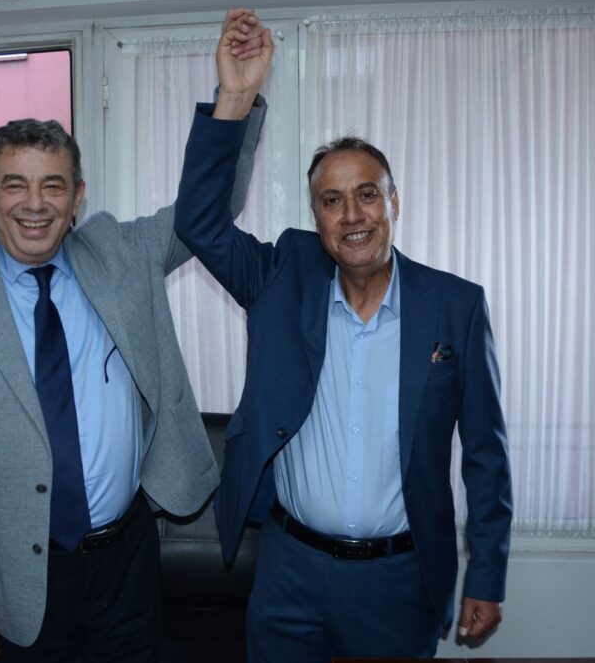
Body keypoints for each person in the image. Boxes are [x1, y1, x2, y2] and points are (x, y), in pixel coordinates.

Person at [0, 10, 268, 662]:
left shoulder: (123, 253)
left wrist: (233, 100)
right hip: (18, 578)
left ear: (77, 197)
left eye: (53, 186)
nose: (34, 203)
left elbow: (207, 213)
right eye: (15, 185)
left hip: (126, 561)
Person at [173, 58, 513, 658]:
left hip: (398, 581)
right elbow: (199, 222)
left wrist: (486, 574)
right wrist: (234, 99)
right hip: (290, 574)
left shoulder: (454, 306)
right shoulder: (282, 277)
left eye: (367, 194)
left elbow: (486, 455)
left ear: (394, 202)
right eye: (332, 200)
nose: (352, 215)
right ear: (317, 219)